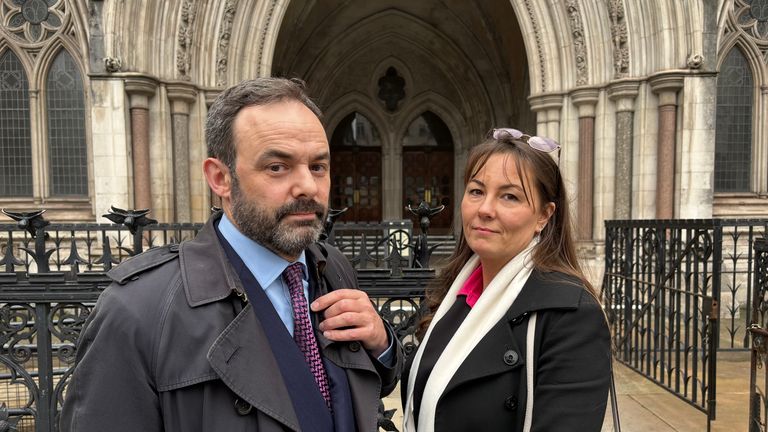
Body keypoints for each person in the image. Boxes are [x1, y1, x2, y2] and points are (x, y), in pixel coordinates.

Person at [60, 78, 402, 432]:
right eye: (277, 167)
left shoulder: (332, 268)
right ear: (220, 178)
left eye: (318, 166)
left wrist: (383, 345)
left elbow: (362, 391)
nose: (309, 187)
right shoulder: (137, 312)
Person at [401, 128, 611, 431]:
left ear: (544, 215)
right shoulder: (453, 293)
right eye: (476, 191)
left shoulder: (571, 315)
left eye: (509, 196)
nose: (485, 209)